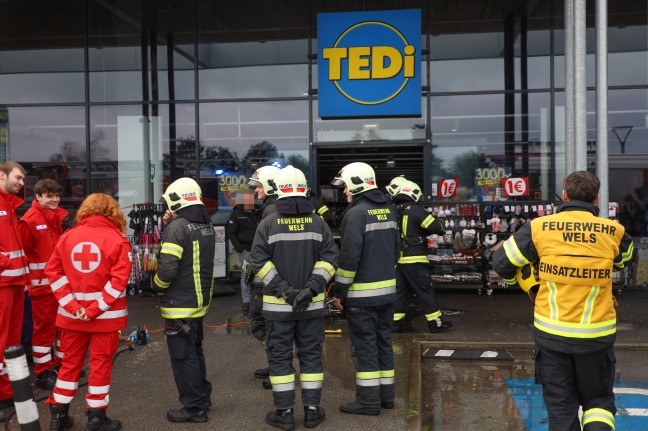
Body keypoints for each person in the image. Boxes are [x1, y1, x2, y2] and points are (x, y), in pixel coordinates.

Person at [490, 171, 635, 431]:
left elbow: (501, 264)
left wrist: (528, 286)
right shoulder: (614, 231)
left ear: (564, 194)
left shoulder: (539, 228)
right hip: (596, 336)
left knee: (561, 408)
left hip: (552, 336)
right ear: (597, 198)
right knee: (599, 403)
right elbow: (625, 261)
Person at [250, 165, 337, 430]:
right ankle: (312, 412)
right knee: (311, 357)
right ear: (304, 190)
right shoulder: (319, 223)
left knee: (280, 359)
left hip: (278, 310)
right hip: (311, 308)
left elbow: (259, 262)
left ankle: (284, 414)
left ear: (279, 190)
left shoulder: (268, 223)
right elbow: (330, 259)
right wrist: (310, 290)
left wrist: (285, 291)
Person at [44, 193, 131, 431]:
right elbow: (118, 281)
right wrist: (93, 310)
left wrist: (74, 307)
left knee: (69, 365)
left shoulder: (67, 237)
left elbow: (54, 273)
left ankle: (58, 417)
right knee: (100, 365)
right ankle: (96, 419)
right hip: (105, 320)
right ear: (113, 212)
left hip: (72, 319)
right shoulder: (118, 240)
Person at [330, 162, 400, 416]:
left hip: (361, 297)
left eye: (346, 187)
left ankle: (368, 401)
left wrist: (339, 292)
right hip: (387, 295)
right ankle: (386, 397)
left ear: (356, 184)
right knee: (383, 342)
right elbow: (396, 252)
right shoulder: (389, 210)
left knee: (365, 347)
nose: (344, 192)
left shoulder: (356, 214)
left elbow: (348, 259)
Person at [154, 177, 216, 424]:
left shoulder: (177, 227)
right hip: (199, 302)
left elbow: (167, 269)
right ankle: (203, 397)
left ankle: (194, 408)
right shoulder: (205, 223)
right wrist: (171, 222)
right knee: (195, 352)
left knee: (183, 357)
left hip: (179, 304)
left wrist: (157, 286)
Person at [18, 179, 69, 390]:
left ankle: (59, 366)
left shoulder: (55, 217)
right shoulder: (29, 220)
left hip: (58, 285)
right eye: (49, 196)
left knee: (61, 329)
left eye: (57, 195)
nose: (55, 199)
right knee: (44, 331)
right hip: (41, 287)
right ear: (37, 197)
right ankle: (42, 373)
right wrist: (27, 282)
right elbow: (23, 254)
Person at [392, 180, 452, 333]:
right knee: (425, 291)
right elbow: (435, 227)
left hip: (397, 261)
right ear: (414, 193)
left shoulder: (392, 210)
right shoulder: (416, 210)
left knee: (398, 293)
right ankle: (436, 324)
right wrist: (441, 223)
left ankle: (395, 324)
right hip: (415, 259)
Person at [245, 165, 280, 389]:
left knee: (263, 323)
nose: (256, 191)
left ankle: (279, 366)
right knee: (266, 324)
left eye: (258, 187)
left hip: (266, 279)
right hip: (266, 276)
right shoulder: (270, 208)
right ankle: (275, 364)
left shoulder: (271, 210)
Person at [0, 161, 29, 423]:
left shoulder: (9, 206)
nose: (21, 183)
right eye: (18, 178)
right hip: (2, 284)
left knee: (11, 341)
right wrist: (8, 264)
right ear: (2, 175)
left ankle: (7, 390)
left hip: (15, 284)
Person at [225, 189, 258, 314]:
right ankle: (246, 302)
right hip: (245, 251)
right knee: (246, 275)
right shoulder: (236, 214)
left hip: (257, 250)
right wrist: (240, 249)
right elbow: (231, 233)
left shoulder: (255, 213)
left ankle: (257, 300)